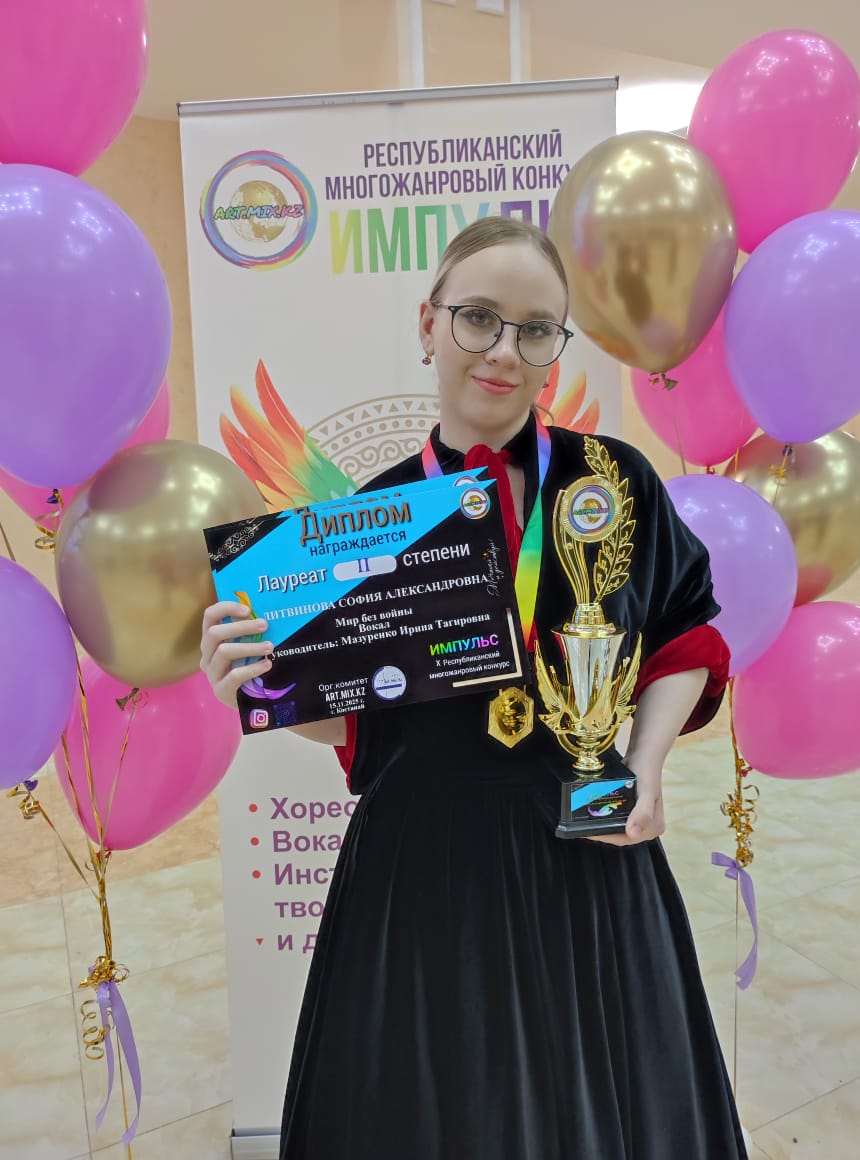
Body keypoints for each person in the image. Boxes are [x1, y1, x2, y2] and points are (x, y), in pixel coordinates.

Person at [200, 216, 746, 1159]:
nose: (503, 351)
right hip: (423, 866)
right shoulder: (365, 521)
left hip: (589, 846)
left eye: (535, 330)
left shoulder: (614, 483)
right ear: (429, 324)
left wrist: (646, 766)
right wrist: (258, 683)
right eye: (480, 318)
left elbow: (685, 637)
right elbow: (357, 725)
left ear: (555, 350)